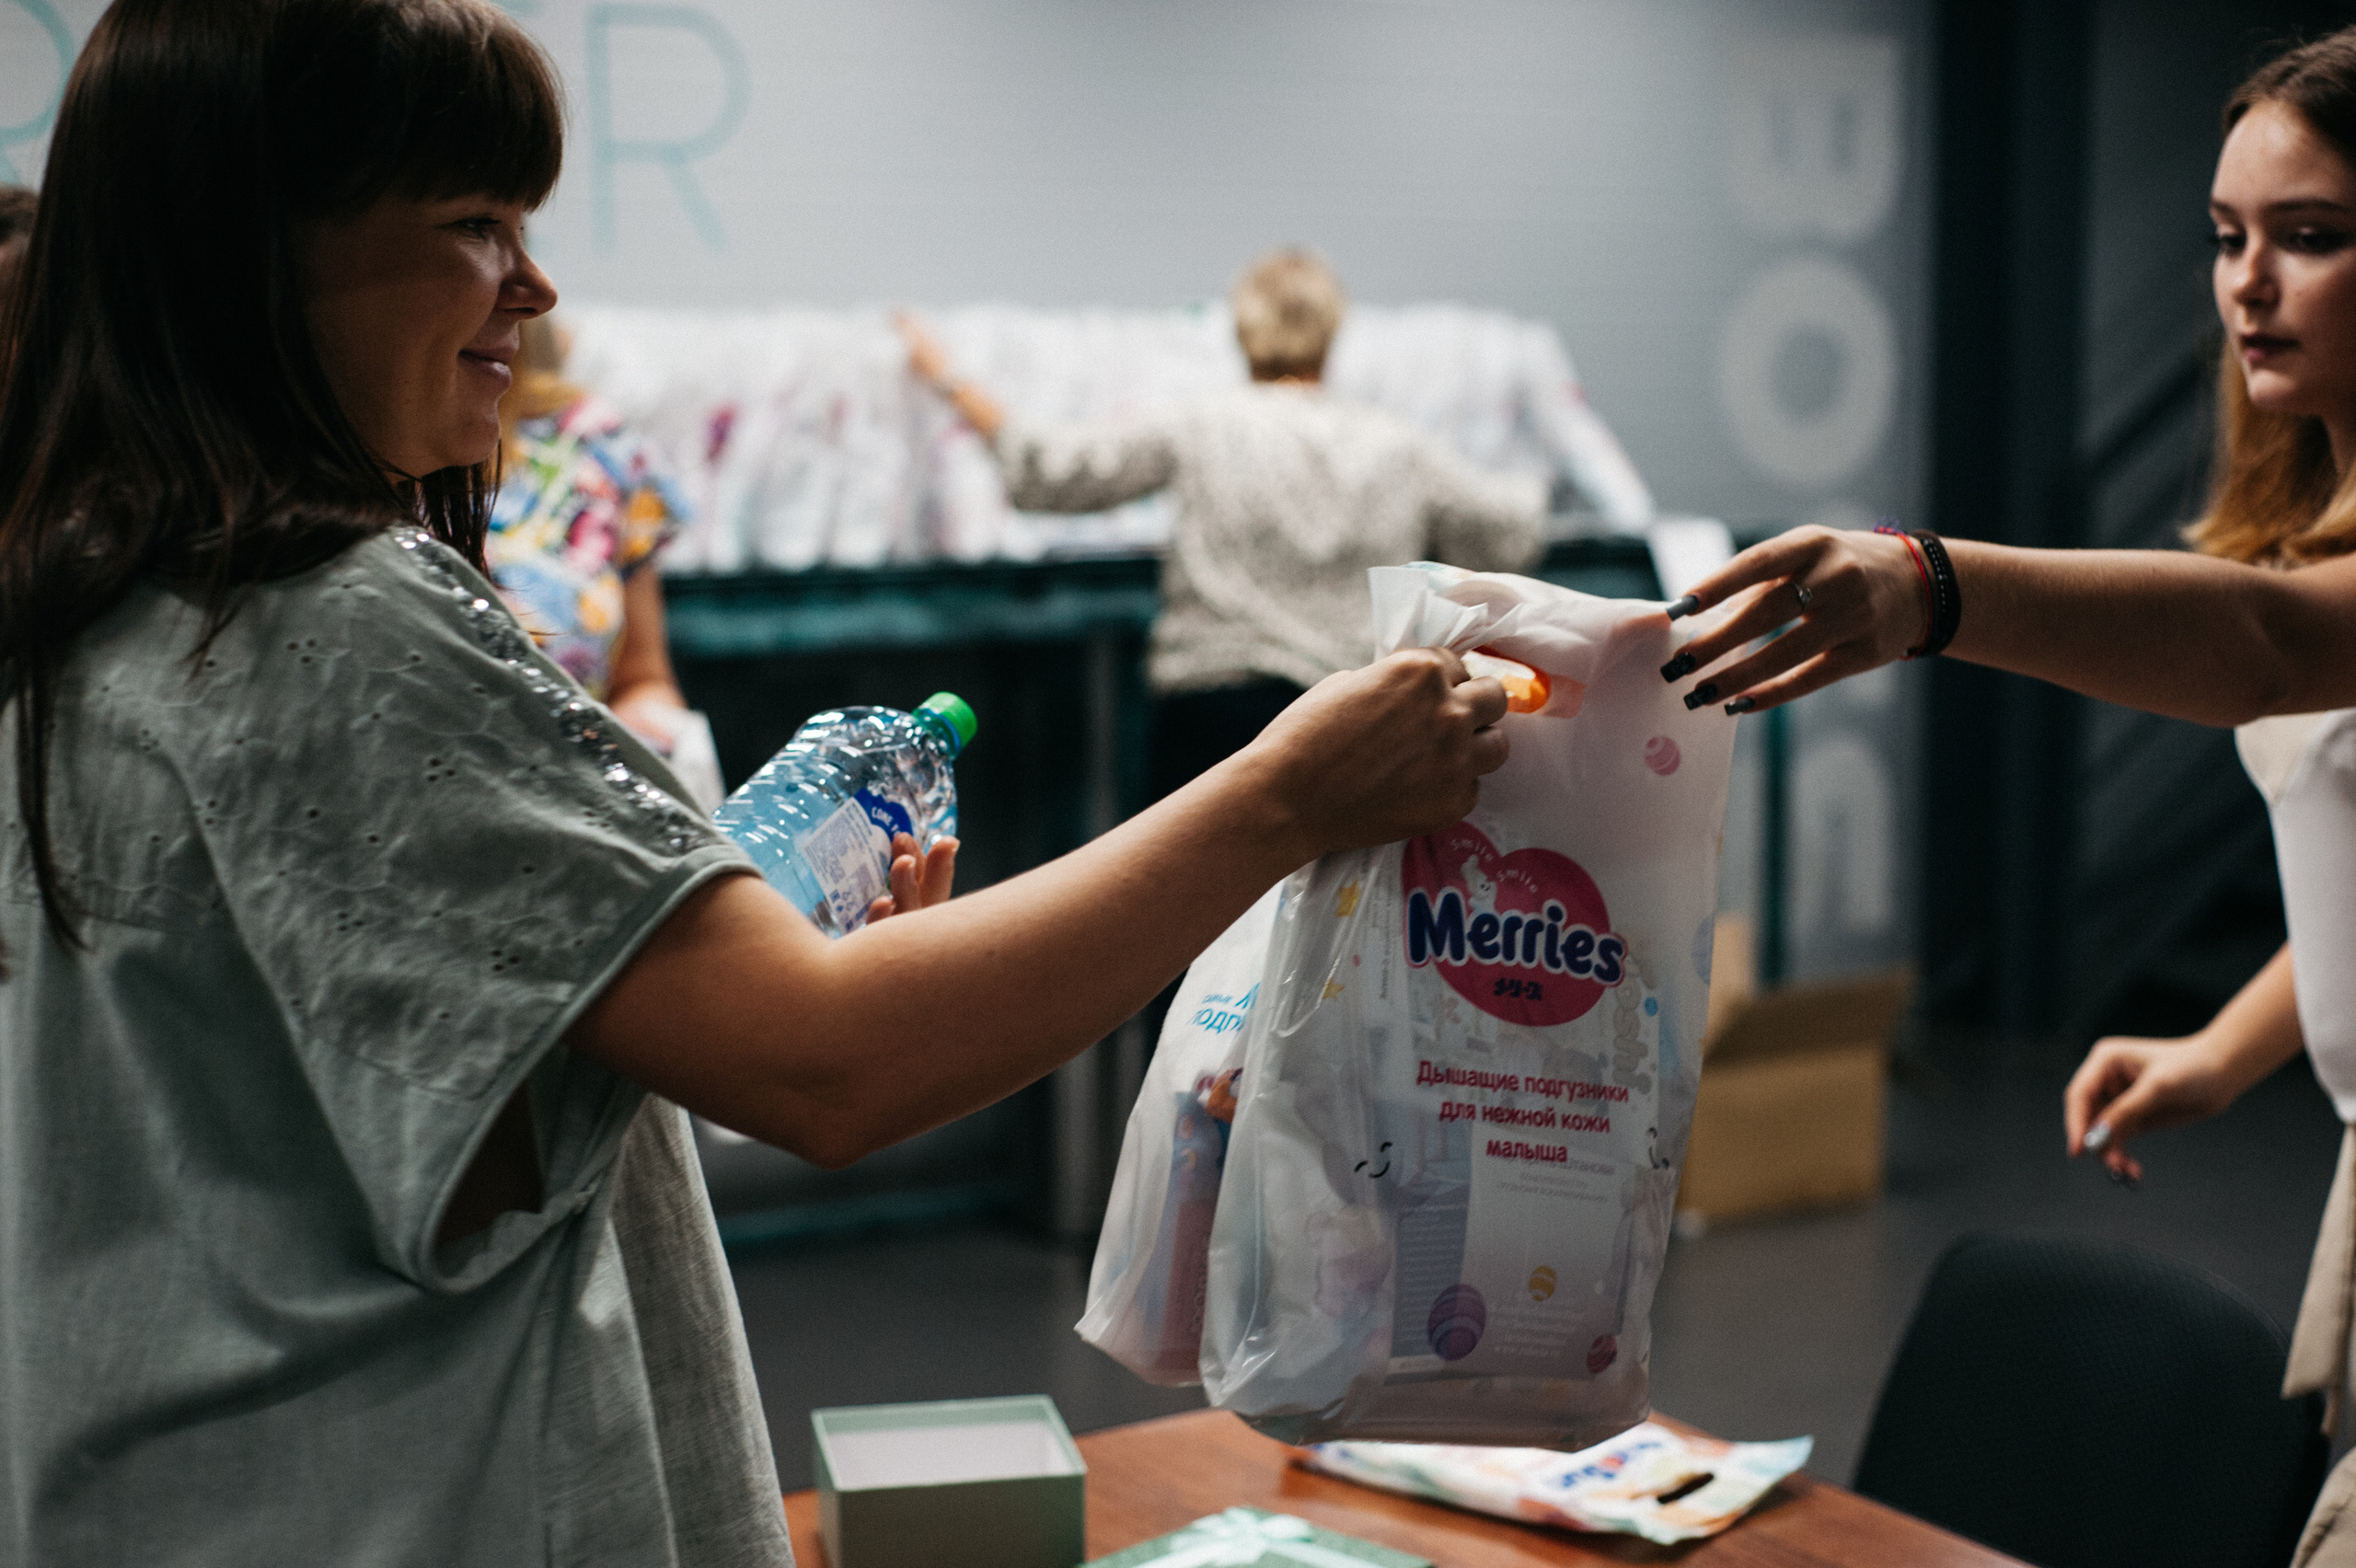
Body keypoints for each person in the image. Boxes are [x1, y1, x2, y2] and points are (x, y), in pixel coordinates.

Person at [0, 3, 1508, 1562]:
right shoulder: (333, 618)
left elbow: (359, 1122)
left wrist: (699, 962)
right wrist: (1281, 801)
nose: (534, 282)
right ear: (251, 249)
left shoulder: (94, 607)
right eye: (472, 223)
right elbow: (828, 1067)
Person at [1661, 29, 2356, 1565]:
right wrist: (2224, 1049)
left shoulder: (2310, 591)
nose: (2249, 283)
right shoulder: (2318, 516)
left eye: (2313, 238)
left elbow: (2260, 645)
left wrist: (1929, 589)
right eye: (2229, 237)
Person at [901, 248, 1545, 801]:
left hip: (1212, 716)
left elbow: (1050, 470)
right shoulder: (1396, 447)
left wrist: (947, 377)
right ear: (1332, 330)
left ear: (1243, 330)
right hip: (1355, 715)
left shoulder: (1202, 425)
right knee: (1338, 927)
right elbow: (1508, 533)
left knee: (1206, 929)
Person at [489, 312, 720, 803]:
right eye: (477, 230)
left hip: (582, 810)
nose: (539, 286)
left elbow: (643, 680)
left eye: (517, 239)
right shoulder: (337, 461)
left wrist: (655, 756)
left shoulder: (591, 441)